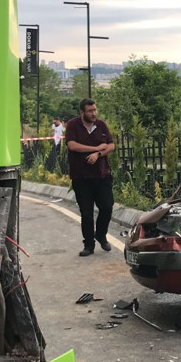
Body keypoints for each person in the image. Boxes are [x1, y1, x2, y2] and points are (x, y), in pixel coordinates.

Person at [65, 99, 115, 257]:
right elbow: (72, 145)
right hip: (81, 177)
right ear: (82, 112)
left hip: (102, 175)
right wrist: (95, 148)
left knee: (107, 207)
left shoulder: (101, 125)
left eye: (95, 110)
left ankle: (100, 234)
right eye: (90, 111)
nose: (94, 113)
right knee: (86, 213)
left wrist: (98, 154)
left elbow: (111, 145)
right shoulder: (73, 125)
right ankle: (88, 244)